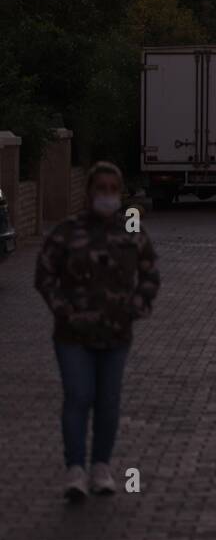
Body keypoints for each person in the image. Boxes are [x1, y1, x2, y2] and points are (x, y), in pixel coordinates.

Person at [34, 161, 160, 502]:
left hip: (115, 333)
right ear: (90, 192)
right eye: (100, 188)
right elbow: (44, 274)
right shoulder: (67, 231)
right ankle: (75, 469)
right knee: (78, 396)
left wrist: (135, 308)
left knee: (108, 402)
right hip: (73, 335)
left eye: (112, 189)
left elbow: (150, 273)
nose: (106, 195)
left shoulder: (131, 231)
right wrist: (64, 309)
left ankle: (101, 467)